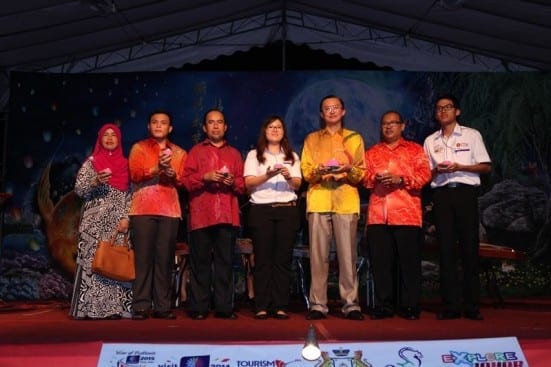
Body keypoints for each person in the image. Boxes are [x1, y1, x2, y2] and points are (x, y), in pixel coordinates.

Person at [423, 94, 492, 321]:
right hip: (441, 195)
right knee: (446, 250)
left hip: (465, 193)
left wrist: (460, 166)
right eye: (439, 108)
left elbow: (485, 167)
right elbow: (425, 174)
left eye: (448, 107)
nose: (443, 111)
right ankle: (450, 305)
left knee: (469, 249)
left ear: (457, 111)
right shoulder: (431, 140)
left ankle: (472, 305)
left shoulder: (472, 135)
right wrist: (437, 171)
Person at [300, 95, 366, 321]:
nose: (331, 111)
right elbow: (306, 173)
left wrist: (347, 169)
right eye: (326, 108)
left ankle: (351, 304)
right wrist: (319, 171)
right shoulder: (312, 139)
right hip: (319, 199)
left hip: (345, 200)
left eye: (335, 107)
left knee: (347, 256)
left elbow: (360, 173)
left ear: (343, 111)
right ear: (321, 114)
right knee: (318, 256)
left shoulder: (354, 138)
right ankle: (318, 304)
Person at [363, 111, 431, 320]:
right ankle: (385, 305)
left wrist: (401, 179)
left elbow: (424, 175)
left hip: (407, 213)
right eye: (384, 123)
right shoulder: (372, 152)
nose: (388, 127)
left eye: (393, 123)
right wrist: (374, 177)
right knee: (382, 263)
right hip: (378, 215)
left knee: (408, 263)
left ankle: (410, 305)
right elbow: (364, 179)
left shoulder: (415, 150)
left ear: (402, 126)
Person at [183, 108, 246, 320]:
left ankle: (223, 308)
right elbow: (186, 182)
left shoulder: (235, 153)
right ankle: (199, 307)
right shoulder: (195, 152)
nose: (216, 126)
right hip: (202, 213)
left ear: (226, 127)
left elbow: (242, 185)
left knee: (225, 262)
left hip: (227, 215)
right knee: (199, 262)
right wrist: (206, 177)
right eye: (211, 122)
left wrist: (232, 182)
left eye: (220, 122)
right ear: (204, 127)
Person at [128, 110, 187, 320]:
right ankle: (141, 305)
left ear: (170, 128)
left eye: (163, 123)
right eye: (155, 122)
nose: (159, 126)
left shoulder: (179, 153)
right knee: (143, 259)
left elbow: (184, 182)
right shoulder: (139, 148)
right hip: (143, 209)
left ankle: (163, 306)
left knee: (164, 260)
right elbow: (135, 175)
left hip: (169, 210)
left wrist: (173, 175)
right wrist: (157, 168)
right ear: (149, 126)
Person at [69, 123, 132, 320]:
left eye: (114, 135)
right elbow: (79, 190)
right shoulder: (91, 163)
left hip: (116, 223)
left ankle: (113, 309)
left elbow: (130, 195)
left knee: (113, 262)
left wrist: (126, 217)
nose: (110, 138)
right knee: (92, 264)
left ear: (119, 139)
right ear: (100, 138)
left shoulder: (125, 165)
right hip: (93, 223)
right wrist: (94, 181)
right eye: (106, 134)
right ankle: (88, 309)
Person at [244, 115, 302, 320]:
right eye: (271, 127)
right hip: (261, 209)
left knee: (282, 259)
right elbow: (249, 183)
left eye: (278, 127)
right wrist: (268, 175)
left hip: (287, 209)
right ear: (265, 131)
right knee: (263, 258)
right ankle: (261, 304)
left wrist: (287, 176)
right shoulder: (254, 155)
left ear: (284, 131)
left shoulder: (292, 156)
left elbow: (297, 185)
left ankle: (280, 305)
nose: (275, 130)